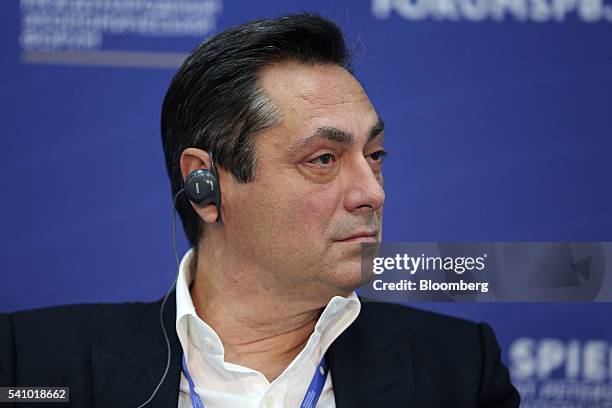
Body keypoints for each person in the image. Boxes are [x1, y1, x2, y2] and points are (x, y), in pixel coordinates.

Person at [0, 13, 520, 407]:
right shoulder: (31, 362)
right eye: (323, 159)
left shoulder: (457, 370)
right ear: (204, 186)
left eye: (375, 156)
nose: (372, 192)